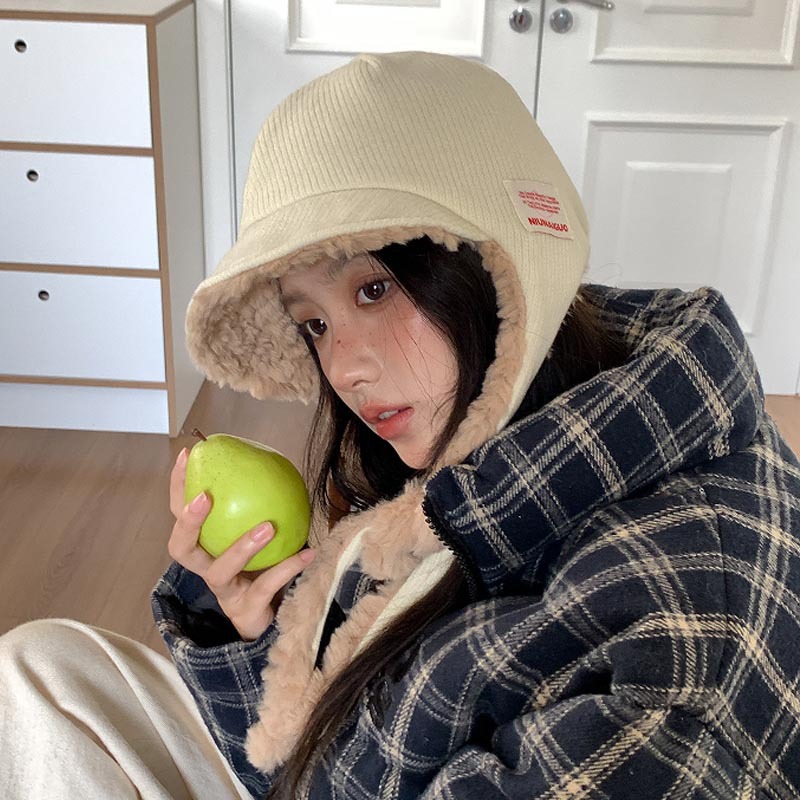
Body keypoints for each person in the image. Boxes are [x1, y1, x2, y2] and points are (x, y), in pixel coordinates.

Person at [1, 50, 799, 800]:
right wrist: (258, 635)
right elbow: (323, 753)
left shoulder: (670, 662)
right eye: (314, 323)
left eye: (374, 290)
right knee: (42, 666)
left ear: (498, 269)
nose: (344, 369)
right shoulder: (498, 453)